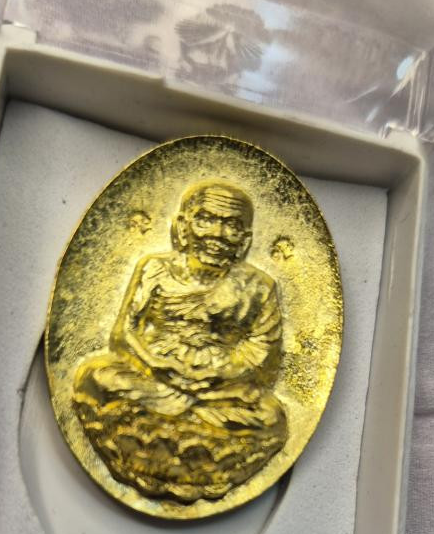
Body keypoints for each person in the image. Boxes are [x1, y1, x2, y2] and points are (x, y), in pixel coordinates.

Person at [73, 180, 287, 503]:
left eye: (231, 226)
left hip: (218, 388)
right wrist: (155, 364)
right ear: (183, 227)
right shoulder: (155, 269)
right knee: (95, 377)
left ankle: (172, 439)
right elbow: (124, 333)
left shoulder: (258, 286)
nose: (217, 234)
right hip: (155, 377)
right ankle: (180, 442)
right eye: (206, 220)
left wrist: (217, 375)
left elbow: (262, 351)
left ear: (245, 240)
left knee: (272, 417)